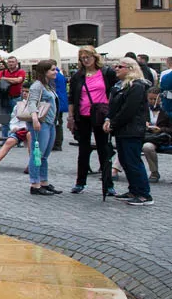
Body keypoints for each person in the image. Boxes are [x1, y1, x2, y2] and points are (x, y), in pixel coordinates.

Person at [67, 46, 116, 195]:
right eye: (83, 58)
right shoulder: (78, 76)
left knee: (104, 149)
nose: (86, 60)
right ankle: (80, 182)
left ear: (95, 57)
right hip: (83, 116)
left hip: (100, 115)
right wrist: (70, 117)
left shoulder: (106, 73)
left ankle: (108, 184)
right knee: (83, 149)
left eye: (88, 57)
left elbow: (114, 93)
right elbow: (72, 98)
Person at [105, 57, 153, 205]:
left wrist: (113, 123)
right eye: (116, 66)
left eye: (120, 67)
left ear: (130, 69)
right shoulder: (120, 86)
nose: (116, 69)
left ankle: (144, 194)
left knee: (133, 161)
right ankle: (134, 190)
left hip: (131, 129)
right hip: (123, 129)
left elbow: (128, 110)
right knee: (126, 161)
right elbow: (114, 107)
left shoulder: (136, 86)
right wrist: (108, 119)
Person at [24, 59, 61, 196]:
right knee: (37, 154)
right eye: (52, 69)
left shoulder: (47, 85)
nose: (55, 71)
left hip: (50, 123)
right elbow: (32, 103)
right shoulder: (37, 86)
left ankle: (44, 182)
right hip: (41, 123)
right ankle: (35, 184)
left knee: (44, 155)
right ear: (44, 71)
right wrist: (35, 119)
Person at [141, 85, 171, 183]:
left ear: (160, 99)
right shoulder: (143, 110)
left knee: (147, 147)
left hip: (160, 137)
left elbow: (171, 128)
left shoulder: (166, 111)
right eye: (150, 99)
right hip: (147, 136)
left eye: (155, 99)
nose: (153, 101)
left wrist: (160, 129)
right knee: (131, 144)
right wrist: (144, 124)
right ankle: (154, 172)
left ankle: (154, 173)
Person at [0, 56, 26, 137]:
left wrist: (4, 79)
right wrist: (12, 80)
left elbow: (19, 80)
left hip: (16, 98)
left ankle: (17, 138)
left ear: (16, 63)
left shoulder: (21, 71)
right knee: (4, 120)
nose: (10, 63)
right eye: (9, 62)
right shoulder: (3, 72)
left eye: (12, 62)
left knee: (17, 119)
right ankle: (4, 139)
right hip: (4, 98)